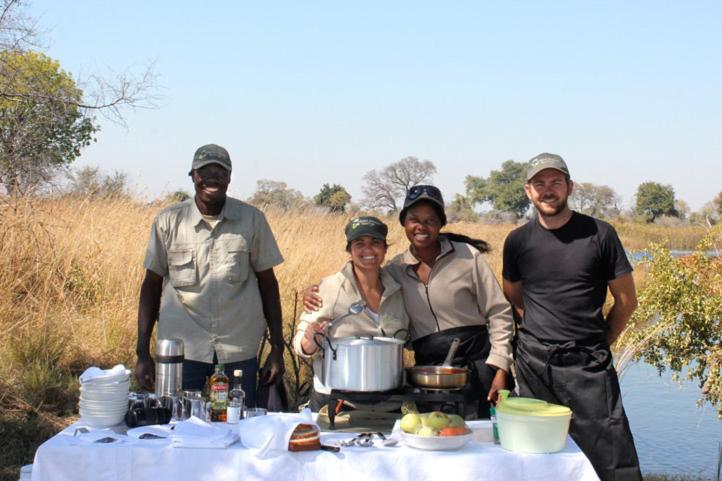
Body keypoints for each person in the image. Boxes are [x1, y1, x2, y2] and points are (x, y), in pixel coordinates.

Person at [305, 186, 514, 418]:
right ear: (404, 223)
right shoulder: (396, 269)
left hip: (479, 367)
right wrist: (316, 292)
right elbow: (363, 277)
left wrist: (500, 366)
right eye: (414, 219)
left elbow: (499, 313)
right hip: (429, 374)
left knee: (483, 440)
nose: (421, 227)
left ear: (441, 223)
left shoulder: (467, 256)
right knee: (435, 436)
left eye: (430, 220)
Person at [502, 153, 641, 481]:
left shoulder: (600, 234)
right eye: (540, 184)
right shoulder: (518, 241)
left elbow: (626, 301)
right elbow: (514, 296)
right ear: (528, 191)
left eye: (555, 183)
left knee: (610, 458)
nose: (547, 190)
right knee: (536, 458)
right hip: (535, 366)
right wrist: (539, 330)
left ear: (570, 187)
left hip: (589, 365)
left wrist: (600, 342)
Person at [135, 144, 285, 408]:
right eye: (205, 171)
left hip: (238, 348)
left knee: (239, 427)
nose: (212, 178)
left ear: (229, 177)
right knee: (178, 425)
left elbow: (268, 285)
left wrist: (277, 349)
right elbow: (151, 285)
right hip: (182, 349)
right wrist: (142, 353)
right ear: (193, 176)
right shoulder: (168, 221)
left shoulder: (252, 220)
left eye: (220, 171)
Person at [293, 216, 409, 411]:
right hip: (337, 401)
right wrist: (309, 342)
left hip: (388, 403)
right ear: (350, 250)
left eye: (375, 243)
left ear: (385, 248)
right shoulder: (330, 288)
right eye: (359, 244)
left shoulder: (397, 288)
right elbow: (301, 344)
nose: (368, 250)